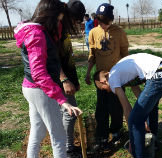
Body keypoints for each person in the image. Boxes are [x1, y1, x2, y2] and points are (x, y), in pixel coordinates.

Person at [14, 0, 82, 157]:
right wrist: (62, 100)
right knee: (58, 137)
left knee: (37, 132)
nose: (60, 23)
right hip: (40, 90)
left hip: (31, 87)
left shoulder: (34, 30)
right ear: (51, 16)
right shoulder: (37, 34)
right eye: (59, 19)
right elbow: (38, 73)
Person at [93, 53, 162, 158]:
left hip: (157, 74)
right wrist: (143, 116)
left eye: (103, 89)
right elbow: (140, 94)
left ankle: (139, 154)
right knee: (150, 108)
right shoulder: (121, 72)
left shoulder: (112, 79)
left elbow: (126, 108)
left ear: (103, 82)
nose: (107, 91)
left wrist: (132, 137)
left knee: (134, 120)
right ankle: (153, 145)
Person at [85, 3, 129, 150]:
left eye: (106, 22)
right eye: (100, 21)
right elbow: (92, 55)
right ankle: (102, 136)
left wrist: (126, 73)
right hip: (100, 79)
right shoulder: (93, 33)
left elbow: (124, 53)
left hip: (117, 77)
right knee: (101, 109)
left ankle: (116, 132)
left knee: (116, 107)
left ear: (112, 19)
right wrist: (88, 73)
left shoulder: (119, 32)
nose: (103, 25)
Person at [59, 0, 85, 157]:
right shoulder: (57, 29)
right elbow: (53, 59)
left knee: (66, 112)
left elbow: (68, 57)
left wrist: (74, 80)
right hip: (58, 80)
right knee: (70, 112)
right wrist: (63, 79)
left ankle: (65, 145)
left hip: (67, 79)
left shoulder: (64, 30)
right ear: (69, 16)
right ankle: (66, 148)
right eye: (76, 20)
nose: (76, 24)